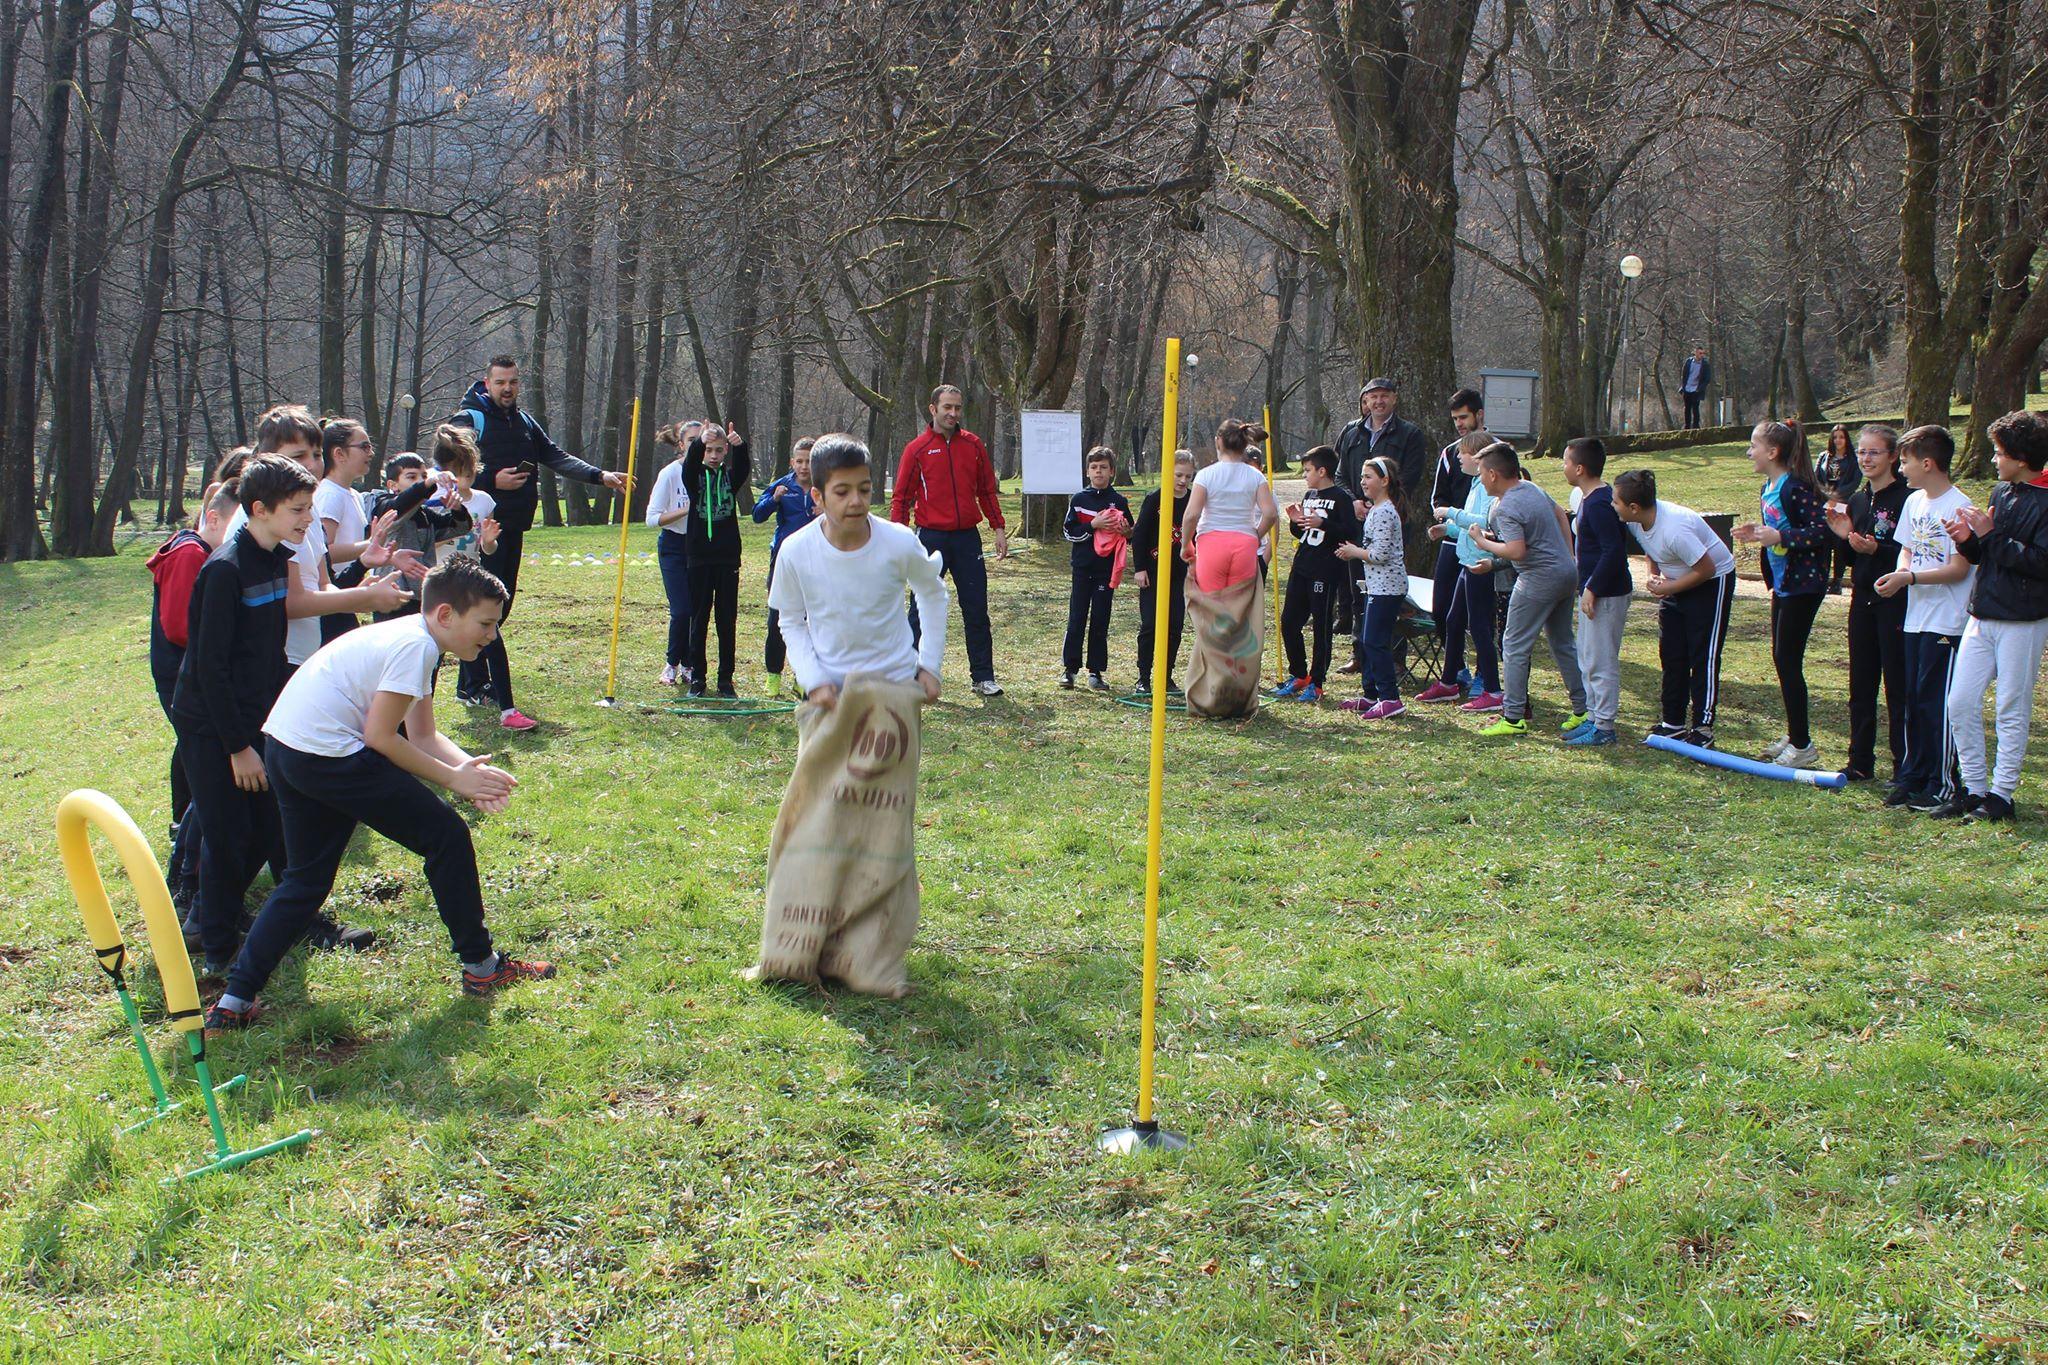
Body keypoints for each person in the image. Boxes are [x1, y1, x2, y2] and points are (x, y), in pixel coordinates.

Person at [204, 556, 552, 1031]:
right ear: (446, 614)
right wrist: (455, 782)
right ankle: (483, 969)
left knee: (304, 880)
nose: (491, 636)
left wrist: (463, 766)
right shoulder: (416, 647)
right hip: (328, 755)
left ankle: (234, 1000)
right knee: (446, 837)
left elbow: (423, 736)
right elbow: (381, 739)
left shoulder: (416, 637)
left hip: (287, 748)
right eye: (486, 624)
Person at [753, 434, 948, 998]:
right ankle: (801, 944)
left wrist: (927, 666)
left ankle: (867, 952)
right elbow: (790, 620)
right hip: (830, 703)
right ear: (815, 495)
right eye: (842, 492)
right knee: (819, 820)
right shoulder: (795, 551)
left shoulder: (896, 542)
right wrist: (815, 681)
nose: (857, 501)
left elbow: (931, 596)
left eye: (865, 489)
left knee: (883, 828)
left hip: (891, 699)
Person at [169, 455, 315, 975]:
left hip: (255, 719)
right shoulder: (224, 570)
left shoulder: (277, 558)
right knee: (226, 832)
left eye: (309, 507)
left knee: (265, 826)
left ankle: (254, 925)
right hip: (211, 725)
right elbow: (209, 668)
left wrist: (275, 723)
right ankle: (217, 948)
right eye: (297, 509)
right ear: (258, 509)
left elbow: (270, 652)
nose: (307, 518)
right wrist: (238, 747)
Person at [451, 354, 629, 729]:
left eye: (513, 382)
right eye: (500, 382)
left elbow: (555, 456)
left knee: (501, 606)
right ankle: (474, 685)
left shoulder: (524, 422)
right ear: (487, 384)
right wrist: (489, 482)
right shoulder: (469, 420)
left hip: (514, 528)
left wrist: (600, 476)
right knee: (482, 608)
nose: (508, 388)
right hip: (481, 531)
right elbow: (448, 467)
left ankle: (473, 681)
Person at [1936, 410, 2048, 823]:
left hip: (2024, 620)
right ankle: (1974, 787)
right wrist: (1968, 541)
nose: (1994, 460)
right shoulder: (2002, 493)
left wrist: (1988, 534)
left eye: (2000, 453)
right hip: (1982, 614)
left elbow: (2039, 562)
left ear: (2020, 456)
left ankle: (2002, 794)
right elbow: (1987, 557)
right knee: (1960, 701)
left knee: (2010, 707)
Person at [1873, 425, 1974, 813]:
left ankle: (1944, 782)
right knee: (1914, 700)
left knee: (1937, 704)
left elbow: (1958, 569)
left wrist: (1909, 577)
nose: (1901, 469)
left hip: (1946, 621)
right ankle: (1913, 775)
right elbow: (1908, 550)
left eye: (1906, 462)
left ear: (1928, 463)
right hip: (1916, 619)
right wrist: (1901, 575)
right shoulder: (1915, 503)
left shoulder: (1959, 507)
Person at [148, 482, 238, 911]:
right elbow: (182, 628)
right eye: (236, 524)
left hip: (197, 681)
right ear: (214, 517)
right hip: (185, 682)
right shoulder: (190, 553)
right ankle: (186, 882)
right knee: (211, 784)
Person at [891, 384, 1008, 697]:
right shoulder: (916, 449)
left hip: (968, 539)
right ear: (933, 409)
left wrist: (998, 527)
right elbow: (901, 498)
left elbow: (986, 490)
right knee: (920, 608)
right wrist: (898, 539)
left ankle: (983, 677)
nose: (953, 414)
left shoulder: (973, 445)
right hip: (930, 538)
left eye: (957, 408)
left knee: (976, 609)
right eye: (947, 407)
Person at [1464, 445, 1587, 738]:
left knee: (1514, 644)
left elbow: (1517, 550)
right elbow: (1560, 516)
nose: (1480, 479)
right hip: (1566, 573)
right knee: (1562, 642)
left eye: (1481, 473)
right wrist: (1568, 558)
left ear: (1493, 474)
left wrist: (1483, 542)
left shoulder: (1505, 506)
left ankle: (1513, 716)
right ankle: (1584, 710)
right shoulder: (1531, 488)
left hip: (1537, 579)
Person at [1613, 469, 1737, 747]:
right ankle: (1673, 723)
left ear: (1633, 507)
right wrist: (1653, 574)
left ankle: (1703, 728)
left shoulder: (1675, 529)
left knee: (1702, 654)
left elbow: (1707, 568)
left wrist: (1668, 588)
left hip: (1711, 581)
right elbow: (1650, 547)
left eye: (1615, 501)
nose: (1613, 506)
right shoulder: (1636, 521)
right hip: (1675, 581)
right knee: (1672, 652)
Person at [1733, 420, 1831, 769]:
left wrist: (1780, 538)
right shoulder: (1769, 486)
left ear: (1773, 452)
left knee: (1788, 660)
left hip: (1804, 584)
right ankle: (1794, 734)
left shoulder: (1797, 487)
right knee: (1781, 658)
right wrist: (1757, 532)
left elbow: (1823, 531)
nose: (1749, 452)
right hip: (1783, 583)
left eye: (1753, 446)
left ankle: (1803, 746)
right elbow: (1777, 529)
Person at [1824, 424, 1908, 786]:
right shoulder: (1857, 500)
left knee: (1898, 686)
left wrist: (1880, 550)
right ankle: (1859, 761)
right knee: (1861, 685)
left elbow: (1910, 554)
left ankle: (1905, 765)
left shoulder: (1908, 498)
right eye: (1861, 452)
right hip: (1862, 601)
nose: (1866, 458)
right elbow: (1848, 557)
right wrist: (1843, 537)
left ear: (1892, 456)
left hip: (1896, 602)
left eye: (1874, 452)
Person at [1273, 445, 1359, 703]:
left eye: (1308, 470)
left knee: (1321, 628)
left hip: (1325, 570)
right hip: (1302, 566)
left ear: (1323, 471)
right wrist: (1296, 522)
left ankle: (1317, 682)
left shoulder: (1341, 498)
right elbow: (1305, 533)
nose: (1304, 475)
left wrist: (1325, 524)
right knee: (1288, 622)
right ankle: (1298, 674)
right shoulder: (1310, 495)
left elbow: (1349, 532)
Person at [1426, 433, 1505, 711]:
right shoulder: (1475, 484)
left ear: (1480, 457)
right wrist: (1447, 529)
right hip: (1466, 560)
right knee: (1452, 619)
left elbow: (1484, 523)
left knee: (1480, 626)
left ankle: (1493, 690)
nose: (1458, 457)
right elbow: (1469, 528)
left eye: (1463, 453)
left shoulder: (1486, 488)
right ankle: (1449, 682)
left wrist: (1450, 513)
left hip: (1480, 564)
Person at [1562, 437, 1629, 746]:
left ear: (1579, 467)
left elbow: (1613, 551)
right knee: (1588, 657)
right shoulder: (1588, 499)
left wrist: (1592, 588)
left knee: (1601, 660)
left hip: (1606, 594)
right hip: (1591, 592)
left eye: (1565, 462)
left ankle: (1604, 727)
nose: (1562, 467)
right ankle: (1592, 717)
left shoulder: (1601, 503)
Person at [680, 423, 752, 697]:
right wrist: (699, 441)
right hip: (698, 557)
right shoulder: (694, 476)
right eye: (709, 450)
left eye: (719, 450)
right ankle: (698, 679)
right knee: (699, 619)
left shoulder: (729, 478)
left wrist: (740, 446)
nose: (713, 455)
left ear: (724, 452)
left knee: (726, 619)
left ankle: (726, 680)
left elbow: (743, 469)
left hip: (727, 557)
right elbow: (688, 467)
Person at [1335, 455, 1407, 718]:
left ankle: (1390, 699)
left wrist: (1355, 551)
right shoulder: (1376, 509)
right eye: (1362, 476)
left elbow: (1381, 555)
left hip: (1388, 588)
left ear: (1385, 481)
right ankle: (1371, 695)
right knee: (1366, 641)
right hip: (1375, 586)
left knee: (1376, 642)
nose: (1363, 482)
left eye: (1368, 477)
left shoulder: (1386, 511)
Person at [365, 453, 471, 620]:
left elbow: (458, 529)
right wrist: (428, 484)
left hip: (421, 597)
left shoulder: (424, 514)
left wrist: (457, 509)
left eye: (423, 476)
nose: (420, 481)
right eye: (411, 477)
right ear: (392, 484)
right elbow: (399, 507)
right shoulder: (384, 505)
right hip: (390, 597)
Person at [1061, 447, 1132, 691]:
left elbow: (1130, 533)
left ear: (1112, 471)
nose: (1098, 471)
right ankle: (1070, 670)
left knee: (1100, 619)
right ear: (1087, 471)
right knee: (1077, 617)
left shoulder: (1119, 501)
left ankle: (1096, 671)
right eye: (1094, 467)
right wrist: (1093, 524)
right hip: (1082, 569)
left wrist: (1126, 531)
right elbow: (1069, 532)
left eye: (1103, 467)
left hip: (1106, 571)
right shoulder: (1079, 500)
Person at [753, 436, 817, 698]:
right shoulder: (782, 485)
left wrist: (826, 513)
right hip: (783, 560)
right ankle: (773, 676)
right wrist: (773, 500)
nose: (804, 467)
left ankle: (803, 676)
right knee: (778, 619)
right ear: (792, 462)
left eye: (809, 461)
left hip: (816, 561)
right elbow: (757, 516)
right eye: (799, 461)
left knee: (812, 620)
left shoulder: (825, 485)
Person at [1181, 419, 1278, 591]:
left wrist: (1186, 543)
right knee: (1239, 606)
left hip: (1212, 543)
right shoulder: (1256, 476)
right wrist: (1256, 536)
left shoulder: (1205, 475)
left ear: (1218, 441)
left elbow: (1191, 515)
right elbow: (1270, 513)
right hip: (1245, 543)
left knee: (1212, 605)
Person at [1131, 450, 1192, 696]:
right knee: (1150, 625)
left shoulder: (1193, 500)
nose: (1182, 480)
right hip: (1153, 572)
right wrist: (1139, 569)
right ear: (1168, 472)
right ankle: (1143, 676)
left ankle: (1166, 676)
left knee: (1174, 625)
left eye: (1188, 476)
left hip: (1181, 574)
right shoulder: (1155, 499)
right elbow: (1140, 535)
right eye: (1178, 475)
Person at [646, 424, 698, 686]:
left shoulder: (708, 472)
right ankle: (671, 664)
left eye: (701, 440)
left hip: (700, 548)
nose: (696, 445)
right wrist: (686, 510)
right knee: (681, 610)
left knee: (696, 610)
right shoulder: (670, 474)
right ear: (681, 445)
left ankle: (690, 665)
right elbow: (652, 518)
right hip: (673, 547)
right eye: (691, 440)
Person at [1817, 424, 1863, 593]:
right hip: (1825, 504)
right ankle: (1823, 577)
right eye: (1835, 437)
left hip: (1844, 503)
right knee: (1824, 543)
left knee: (1839, 543)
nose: (1838, 440)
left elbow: (1855, 481)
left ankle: (1837, 581)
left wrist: (1837, 496)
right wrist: (1826, 495)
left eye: (1841, 437)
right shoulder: (1824, 457)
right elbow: (1817, 479)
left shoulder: (1853, 458)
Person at [1679, 346, 1713, 430]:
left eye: (1703, 353)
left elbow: (1707, 378)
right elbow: (1684, 375)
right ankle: (1687, 426)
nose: (1701, 355)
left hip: (1696, 389)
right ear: (1695, 353)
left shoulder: (1705, 364)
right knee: (1687, 408)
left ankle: (1696, 427)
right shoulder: (1688, 362)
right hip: (1687, 388)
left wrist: (1700, 388)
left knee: (1695, 408)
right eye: (1700, 353)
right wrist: (1683, 386)